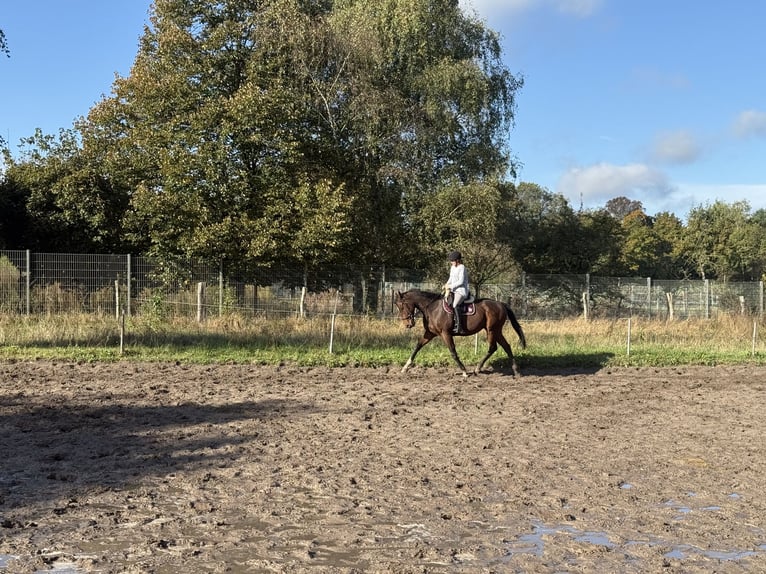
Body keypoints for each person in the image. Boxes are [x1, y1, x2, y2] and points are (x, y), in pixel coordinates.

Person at [443, 250, 469, 334]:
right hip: (453, 290)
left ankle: (459, 327)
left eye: (452, 260)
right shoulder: (453, 267)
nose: (451, 262)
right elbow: (450, 278)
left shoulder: (462, 267)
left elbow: (461, 281)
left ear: (458, 260)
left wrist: (450, 286)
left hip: (461, 291)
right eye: (451, 261)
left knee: (454, 304)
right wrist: (446, 284)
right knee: (446, 301)